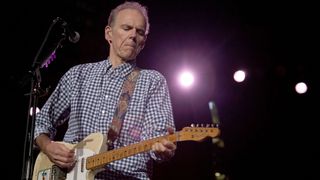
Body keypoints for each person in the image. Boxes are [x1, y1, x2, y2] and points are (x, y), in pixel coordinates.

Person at [34, 1, 176, 179]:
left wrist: (163, 149)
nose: (133, 35)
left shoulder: (153, 81)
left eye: (140, 32)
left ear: (144, 42)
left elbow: (158, 141)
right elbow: (41, 121)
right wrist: (48, 147)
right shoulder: (78, 75)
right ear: (108, 33)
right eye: (126, 28)